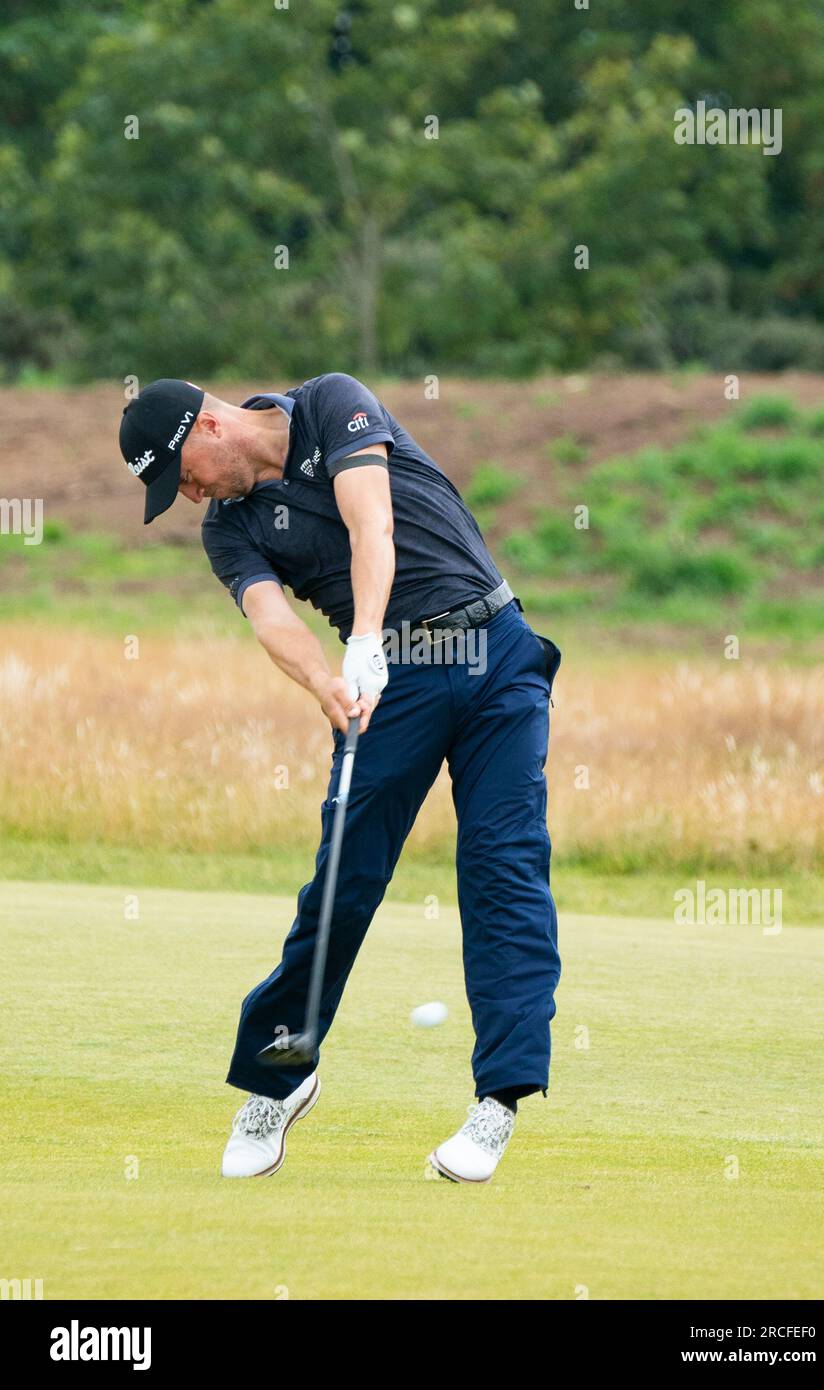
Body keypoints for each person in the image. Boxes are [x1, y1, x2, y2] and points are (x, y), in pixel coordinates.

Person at [119, 373, 561, 1183]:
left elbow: (371, 521)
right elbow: (271, 617)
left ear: (210, 426)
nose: (186, 497)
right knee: (342, 882)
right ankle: (279, 1077)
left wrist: (362, 635)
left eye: (180, 475)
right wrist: (326, 683)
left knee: (504, 866)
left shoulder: (331, 403)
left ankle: (498, 1102)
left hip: (495, 651)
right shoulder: (229, 531)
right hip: (398, 683)